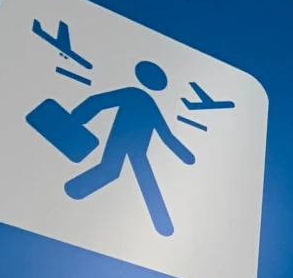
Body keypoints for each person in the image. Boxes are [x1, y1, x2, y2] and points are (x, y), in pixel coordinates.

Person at [62, 60, 194, 236]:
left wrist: (185, 155)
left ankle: (161, 222)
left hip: (134, 145)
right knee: (118, 171)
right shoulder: (137, 95)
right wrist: (75, 119)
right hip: (123, 140)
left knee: (120, 171)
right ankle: (74, 189)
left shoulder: (144, 100)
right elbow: (99, 101)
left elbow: (164, 133)